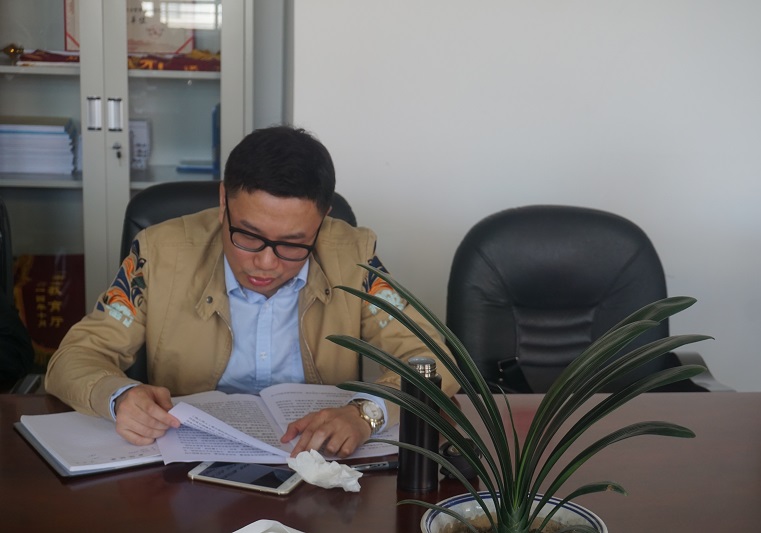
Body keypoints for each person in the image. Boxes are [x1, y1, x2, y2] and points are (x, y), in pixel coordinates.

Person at [45, 126, 459, 458]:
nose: (266, 262)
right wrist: (119, 397)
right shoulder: (160, 253)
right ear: (223, 201)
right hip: (188, 467)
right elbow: (75, 358)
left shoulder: (352, 255)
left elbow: (431, 359)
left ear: (323, 220)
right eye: (248, 235)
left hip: (316, 467)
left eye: (293, 243)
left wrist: (366, 414)